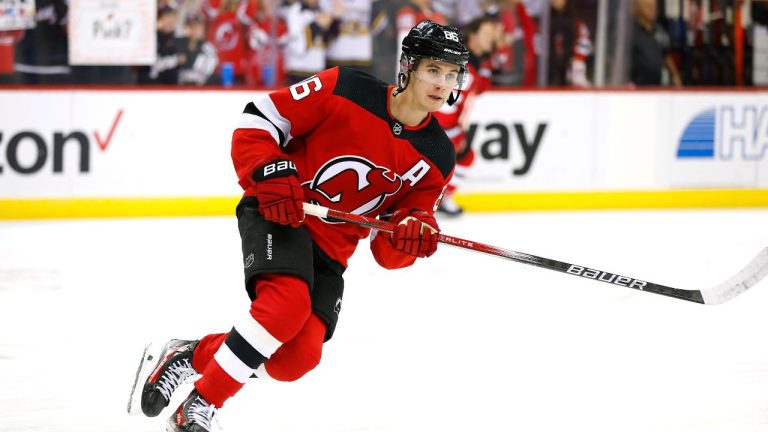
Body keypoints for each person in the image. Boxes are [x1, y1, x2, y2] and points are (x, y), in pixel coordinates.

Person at [128, 19, 469, 432]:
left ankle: (192, 355)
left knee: (297, 358)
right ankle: (198, 408)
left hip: (331, 251)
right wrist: (269, 172)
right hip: (282, 211)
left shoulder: (437, 156)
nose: (441, 83)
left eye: (451, 74)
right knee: (284, 307)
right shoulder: (346, 87)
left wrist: (413, 233)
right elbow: (258, 120)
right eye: (433, 69)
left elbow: (388, 248)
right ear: (409, 67)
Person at [433, 14, 497, 216]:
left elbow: (482, 88)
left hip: (447, 125)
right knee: (463, 157)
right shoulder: (461, 63)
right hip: (440, 124)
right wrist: (449, 132)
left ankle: (442, 198)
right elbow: (446, 104)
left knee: (465, 157)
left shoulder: (477, 62)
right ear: (473, 35)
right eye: (487, 34)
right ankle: (437, 199)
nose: (491, 39)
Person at [629, 0, 682, 87]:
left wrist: (675, 75)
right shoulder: (631, 31)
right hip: (635, 89)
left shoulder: (659, 31)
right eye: (648, 7)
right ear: (639, 8)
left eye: (654, 6)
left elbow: (666, 54)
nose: (652, 10)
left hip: (655, 89)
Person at [547, 0, 592, 87]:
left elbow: (584, 41)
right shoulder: (546, 20)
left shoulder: (576, 21)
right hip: (551, 69)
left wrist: (577, 58)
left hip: (570, 68)